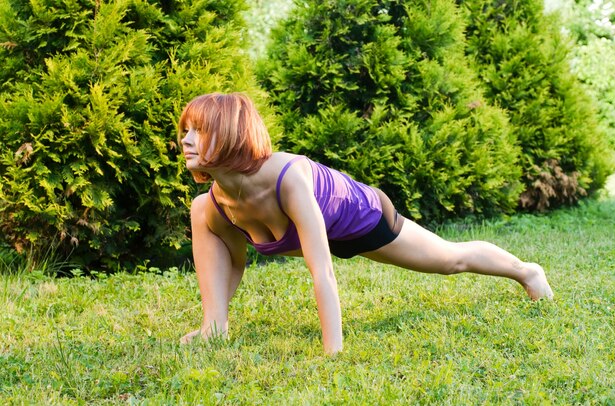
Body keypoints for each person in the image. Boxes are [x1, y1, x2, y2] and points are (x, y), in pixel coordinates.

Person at [177, 92, 554, 355]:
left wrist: (333, 354)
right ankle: (216, 330)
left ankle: (527, 272)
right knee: (197, 209)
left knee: (449, 260)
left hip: (364, 218)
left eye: (200, 130)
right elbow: (233, 262)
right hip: (323, 229)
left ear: (231, 135)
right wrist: (215, 321)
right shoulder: (212, 207)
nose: (186, 140)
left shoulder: (288, 178)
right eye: (186, 130)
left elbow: (322, 272)